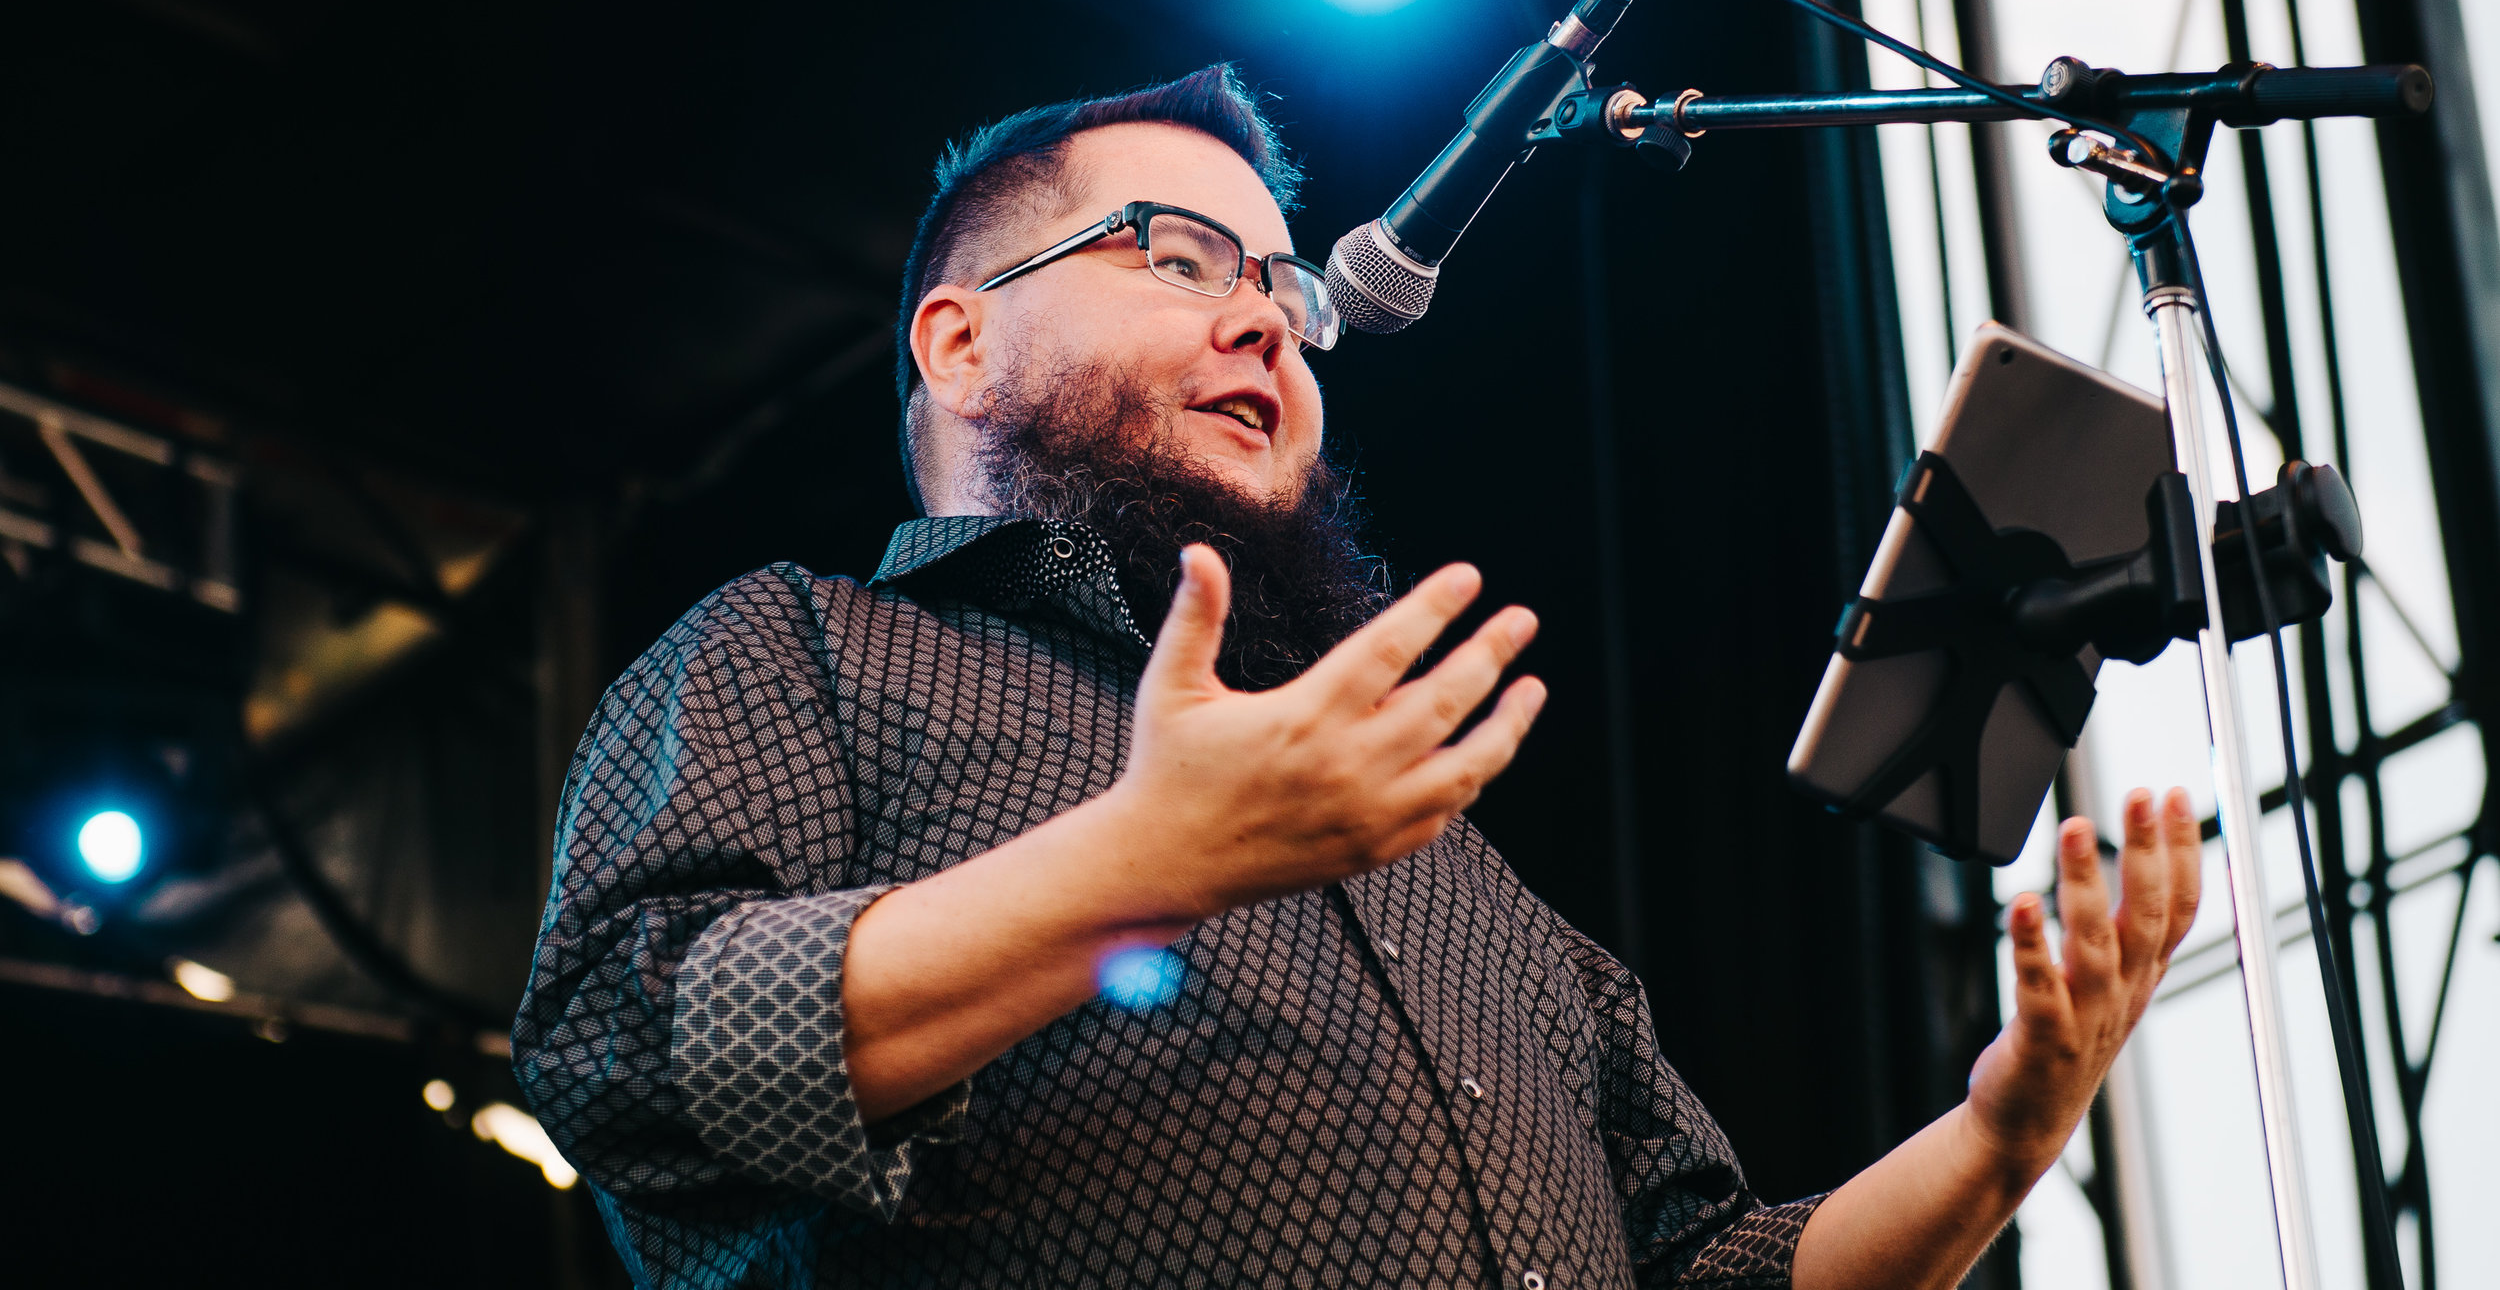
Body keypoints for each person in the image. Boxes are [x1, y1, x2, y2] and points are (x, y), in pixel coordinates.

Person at [515, 64, 2201, 1290]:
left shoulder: (1434, 846)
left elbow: (1700, 1266)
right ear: (960, 344)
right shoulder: (797, 651)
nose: (1266, 321)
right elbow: (622, 1045)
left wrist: (1994, 1144)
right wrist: (1144, 866)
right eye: (1177, 257)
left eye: (1283, 286)